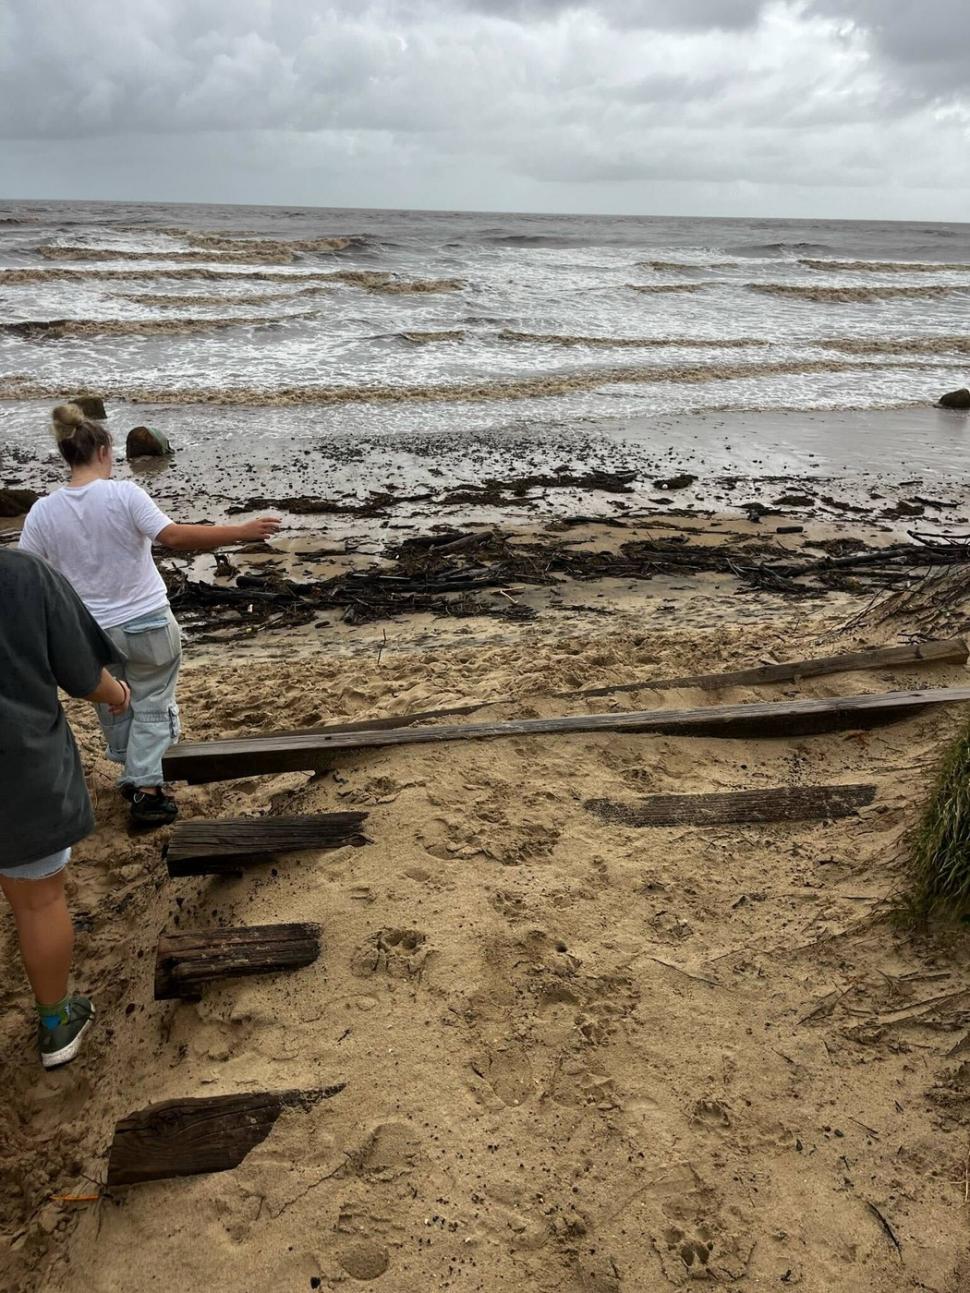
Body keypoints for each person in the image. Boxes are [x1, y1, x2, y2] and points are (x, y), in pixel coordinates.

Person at [19, 404, 280, 827]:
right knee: (154, 701)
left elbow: (27, 573)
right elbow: (173, 537)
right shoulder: (125, 495)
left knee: (116, 701)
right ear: (104, 451)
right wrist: (242, 530)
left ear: (65, 455)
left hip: (88, 631)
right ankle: (148, 789)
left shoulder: (43, 513)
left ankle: (133, 774)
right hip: (146, 619)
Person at [0, 548, 131, 1068]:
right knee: (36, 904)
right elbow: (81, 673)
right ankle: (55, 1025)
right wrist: (116, 692)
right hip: (20, 772)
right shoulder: (20, 574)